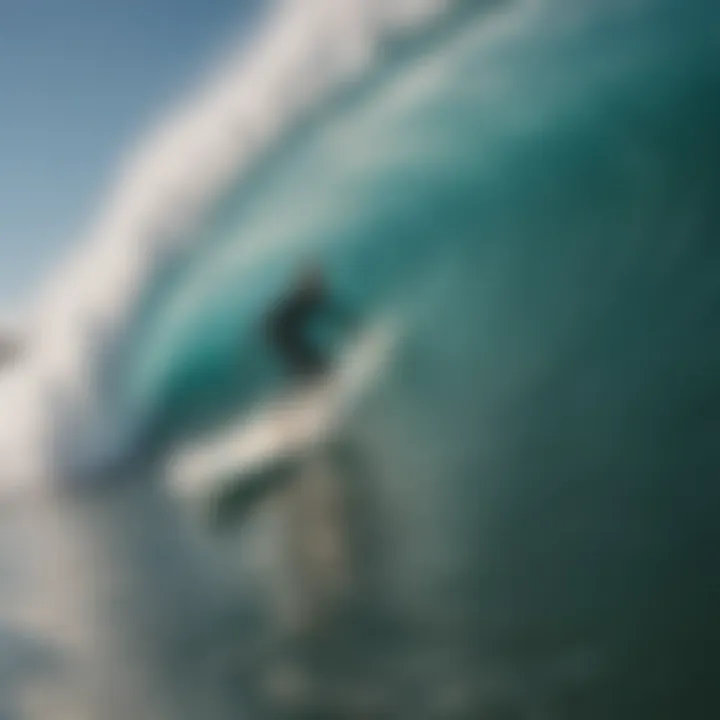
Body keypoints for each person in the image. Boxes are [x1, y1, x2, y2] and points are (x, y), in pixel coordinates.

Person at [265, 265, 354, 380]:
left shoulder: (306, 295)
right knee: (311, 363)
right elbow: (330, 310)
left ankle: (310, 379)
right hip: (281, 332)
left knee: (311, 362)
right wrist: (348, 323)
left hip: (282, 331)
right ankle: (312, 381)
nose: (321, 284)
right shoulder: (307, 296)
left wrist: (347, 322)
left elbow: (330, 311)